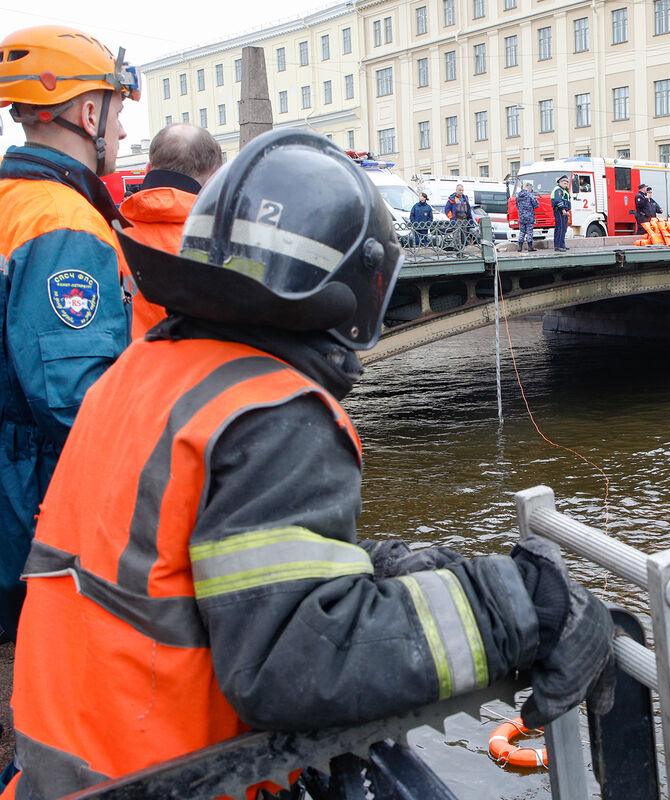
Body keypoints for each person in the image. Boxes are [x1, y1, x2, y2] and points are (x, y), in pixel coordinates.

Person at [3, 130, 615, 797]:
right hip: (175, 781)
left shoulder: (143, 375)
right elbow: (296, 660)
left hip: (68, 770)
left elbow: (208, 565)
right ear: (359, 287)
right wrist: (521, 608)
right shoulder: (271, 411)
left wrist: (403, 568)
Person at [0, 25, 140, 641]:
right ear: (88, 112)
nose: (123, 134)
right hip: (29, 509)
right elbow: (75, 398)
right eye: (115, 116)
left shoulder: (12, 201)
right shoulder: (63, 221)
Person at [121, 123, 223, 338]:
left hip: (125, 367)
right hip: (199, 369)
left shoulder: (106, 230)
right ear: (215, 175)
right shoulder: (223, 241)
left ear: (148, 169)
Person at [444, 183, 476, 251]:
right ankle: (457, 249)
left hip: (465, 220)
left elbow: (468, 209)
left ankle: (463, 249)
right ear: (456, 190)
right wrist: (452, 218)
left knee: (464, 236)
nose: (461, 192)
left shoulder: (465, 198)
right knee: (456, 236)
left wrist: (470, 219)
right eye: (460, 190)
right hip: (457, 220)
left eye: (462, 190)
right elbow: (447, 210)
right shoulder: (452, 199)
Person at [514, 180, 537, 251]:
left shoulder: (518, 195)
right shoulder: (530, 195)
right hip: (529, 216)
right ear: (529, 187)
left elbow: (517, 205)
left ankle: (520, 246)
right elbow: (536, 204)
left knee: (522, 231)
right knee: (529, 231)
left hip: (521, 216)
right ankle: (530, 246)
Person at [551, 174, 571, 251]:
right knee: (560, 228)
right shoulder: (558, 190)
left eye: (567, 183)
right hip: (559, 211)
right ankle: (559, 246)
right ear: (560, 182)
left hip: (564, 211)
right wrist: (563, 209)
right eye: (565, 183)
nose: (566, 184)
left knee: (563, 228)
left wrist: (567, 210)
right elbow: (558, 200)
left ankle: (561, 244)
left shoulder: (563, 190)